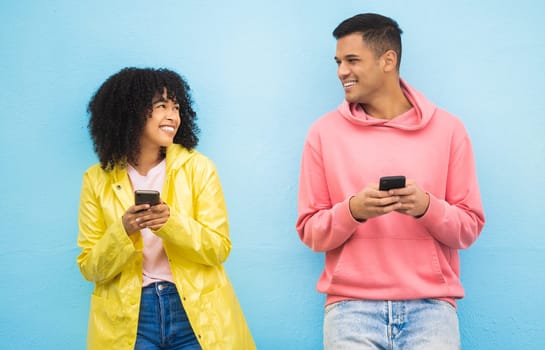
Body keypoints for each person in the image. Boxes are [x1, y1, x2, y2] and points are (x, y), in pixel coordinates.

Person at [295, 13, 485, 349]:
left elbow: (469, 227)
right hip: (349, 311)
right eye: (338, 62)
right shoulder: (323, 134)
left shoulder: (449, 131)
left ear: (388, 60)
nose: (341, 71)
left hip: (431, 310)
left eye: (352, 60)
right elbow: (310, 231)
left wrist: (426, 206)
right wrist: (353, 210)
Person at [77, 67, 256, 350]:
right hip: (131, 315)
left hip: (194, 309)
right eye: (161, 106)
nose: (172, 115)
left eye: (176, 107)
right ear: (130, 111)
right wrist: (123, 231)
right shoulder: (96, 180)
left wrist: (170, 223)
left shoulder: (199, 169)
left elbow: (219, 248)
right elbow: (90, 268)